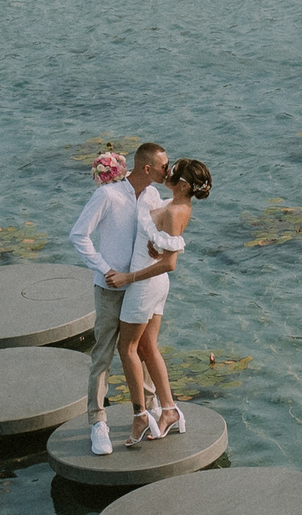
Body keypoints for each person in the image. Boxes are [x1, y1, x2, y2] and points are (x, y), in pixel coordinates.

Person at [67, 142, 170, 455]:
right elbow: (78, 235)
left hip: (140, 286)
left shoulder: (153, 196)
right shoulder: (107, 195)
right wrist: (104, 267)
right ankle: (99, 422)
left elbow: (160, 232)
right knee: (104, 354)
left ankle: (151, 408)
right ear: (146, 168)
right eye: (164, 165)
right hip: (111, 288)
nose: (169, 170)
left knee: (141, 348)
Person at [116, 158, 210, 443]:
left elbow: (171, 263)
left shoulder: (175, 211)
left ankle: (140, 417)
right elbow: (166, 248)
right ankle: (169, 410)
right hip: (155, 285)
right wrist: (156, 248)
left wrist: (127, 278)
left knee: (127, 348)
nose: (167, 173)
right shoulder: (177, 205)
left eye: (173, 171)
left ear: (182, 185)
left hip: (145, 285)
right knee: (147, 346)